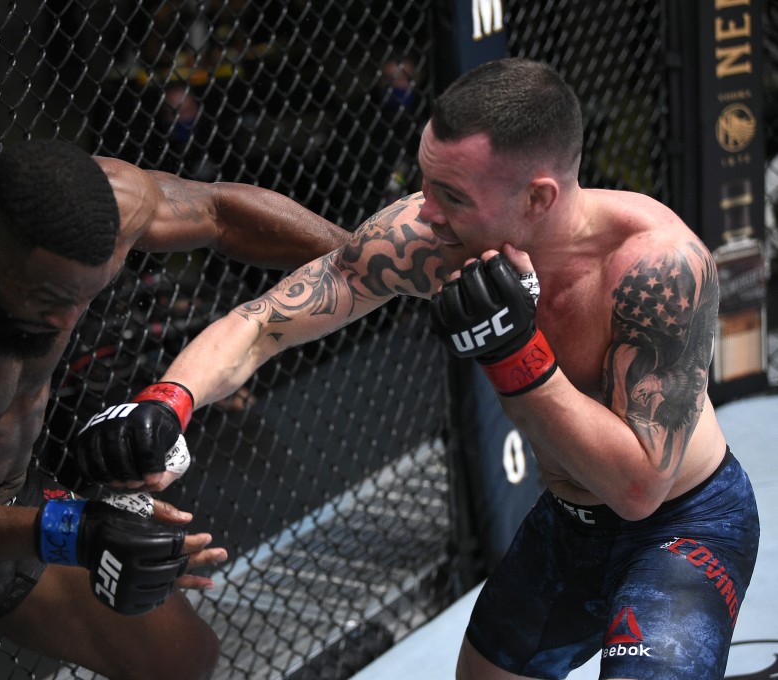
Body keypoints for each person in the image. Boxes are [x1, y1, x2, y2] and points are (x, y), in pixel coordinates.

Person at [77, 58, 760, 679]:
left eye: (453, 196)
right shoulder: (428, 241)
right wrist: (170, 401)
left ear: (539, 199)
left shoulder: (657, 268)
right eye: (425, 181)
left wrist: (515, 352)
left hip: (683, 524)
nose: (425, 211)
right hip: (569, 527)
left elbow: (639, 487)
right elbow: (261, 324)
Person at [0, 139, 350, 680]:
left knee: (182, 660)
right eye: (47, 299)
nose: (66, 323)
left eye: (81, 298)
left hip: (14, 501)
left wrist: (369, 263)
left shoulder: (110, 203)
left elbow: (219, 211)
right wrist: (76, 530)